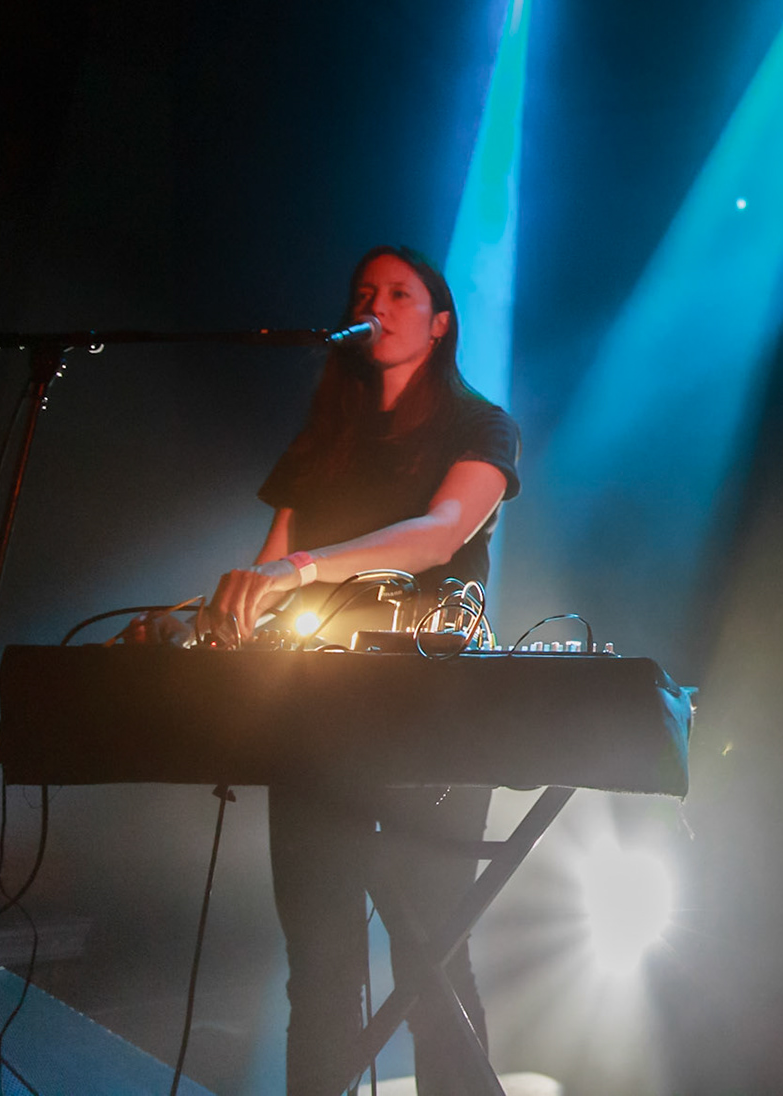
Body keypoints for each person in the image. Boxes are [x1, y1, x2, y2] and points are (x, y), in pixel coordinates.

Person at [202, 245, 520, 1096]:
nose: (375, 304)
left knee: (433, 964)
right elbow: (265, 573)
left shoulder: (482, 426)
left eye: (399, 293)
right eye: (363, 294)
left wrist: (299, 571)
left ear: (440, 321)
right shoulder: (321, 441)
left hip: (434, 714)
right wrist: (209, 613)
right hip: (313, 715)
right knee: (319, 971)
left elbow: (441, 532)